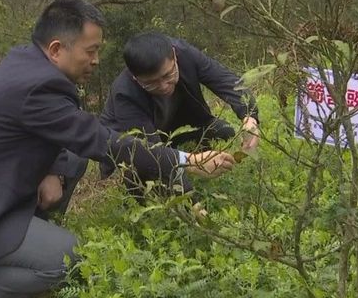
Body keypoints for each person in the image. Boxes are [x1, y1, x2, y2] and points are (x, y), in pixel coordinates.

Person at [0, 0, 236, 298]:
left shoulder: (30, 64)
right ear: (57, 49)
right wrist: (185, 161)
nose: (97, 60)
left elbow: (56, 131)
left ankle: (30, 238)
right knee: (70, 258)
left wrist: (52, 170)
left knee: (71, 161)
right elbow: (102, 141)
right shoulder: (37, 86)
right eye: (92, 50)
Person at [100, 32, 259, 198]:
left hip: (178, 127)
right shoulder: (125, 94)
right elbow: (151, 153)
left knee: (223, 131)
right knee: (147, 173)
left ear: (175, 56)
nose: (163, 86)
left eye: (168, 75)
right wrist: (192, 198)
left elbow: (227, 82)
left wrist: (250, 117)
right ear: (135, 78)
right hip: (134, 147)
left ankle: (195, 168)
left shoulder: (185, 53)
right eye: (151, 83)